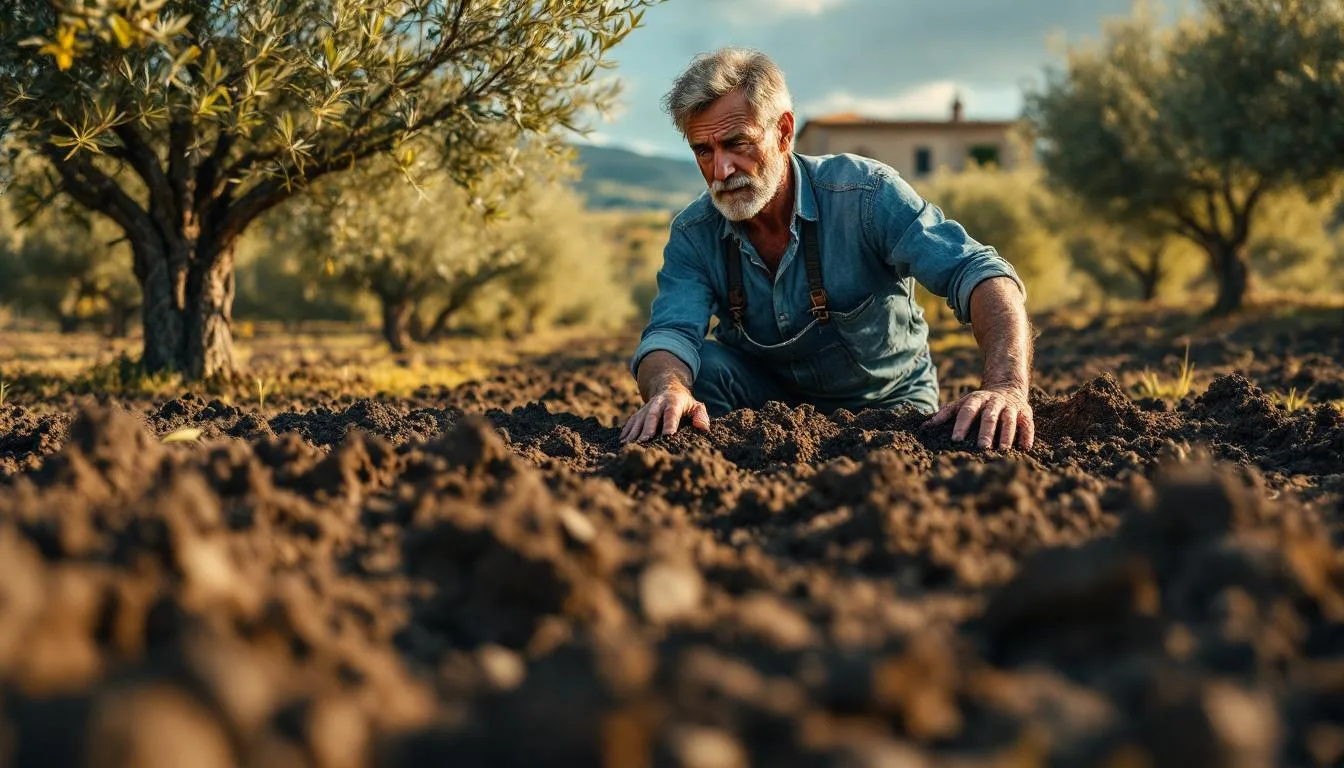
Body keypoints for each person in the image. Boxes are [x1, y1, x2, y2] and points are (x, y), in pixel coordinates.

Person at [619, 48, 1035, 451]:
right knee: (696, 368)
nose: (721, 170)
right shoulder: (695, 233)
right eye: (704, 151)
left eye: (737, 143)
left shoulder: (865, 195)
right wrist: (668, 389)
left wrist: (1006, 386)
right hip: (766, 416)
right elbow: (671, 333)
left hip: (891, 412)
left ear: (783, 132)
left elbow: (980, 272)